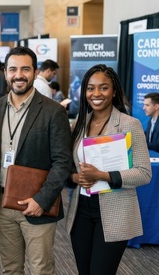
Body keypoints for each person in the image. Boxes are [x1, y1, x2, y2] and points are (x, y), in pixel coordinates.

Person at [0, 46, 72, 274]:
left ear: (35, 72)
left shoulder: (53, 112)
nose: (19, 75)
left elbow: (62, 162)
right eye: (13, 69)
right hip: (2, 204)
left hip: (37, 205)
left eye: (25, 69)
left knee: (40, 269)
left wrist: (42, 200)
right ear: (5, 73)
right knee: (10, 269)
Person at [66, 64, 152, 275]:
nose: (96, 94)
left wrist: (102, 176)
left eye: (103, 88)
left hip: (115, 210)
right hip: (81, 210)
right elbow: (66, 166)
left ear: (114, 91)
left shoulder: (129, 124)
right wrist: (75, 177)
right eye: (90, 88)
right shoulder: (79, 123)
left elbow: (144, 173)